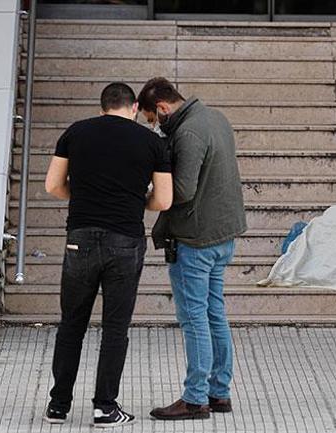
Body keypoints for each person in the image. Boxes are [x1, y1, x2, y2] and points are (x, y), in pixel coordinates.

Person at [43, 82, 173, 427]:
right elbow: (164, 201)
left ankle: (58, 405)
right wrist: (134, 201)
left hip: (80, 238)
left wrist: (86, 197)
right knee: (115, 327)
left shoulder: (76, 133)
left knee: (72, 323)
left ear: (102, 107)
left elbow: (53, 186)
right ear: (133, 108)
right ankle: (105, 407)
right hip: (125, 241)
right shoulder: (152, 142)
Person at [137, 78, 247, 421]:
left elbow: (181, 191)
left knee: (194, 318)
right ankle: (220, 393)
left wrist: (141, 196)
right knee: (215, 313)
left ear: (162, 108)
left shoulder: (187, 133)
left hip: (196, 240)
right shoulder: (217, 118)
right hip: (222, 236)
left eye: (152, 120)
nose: (154, 127)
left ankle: (195, 398)